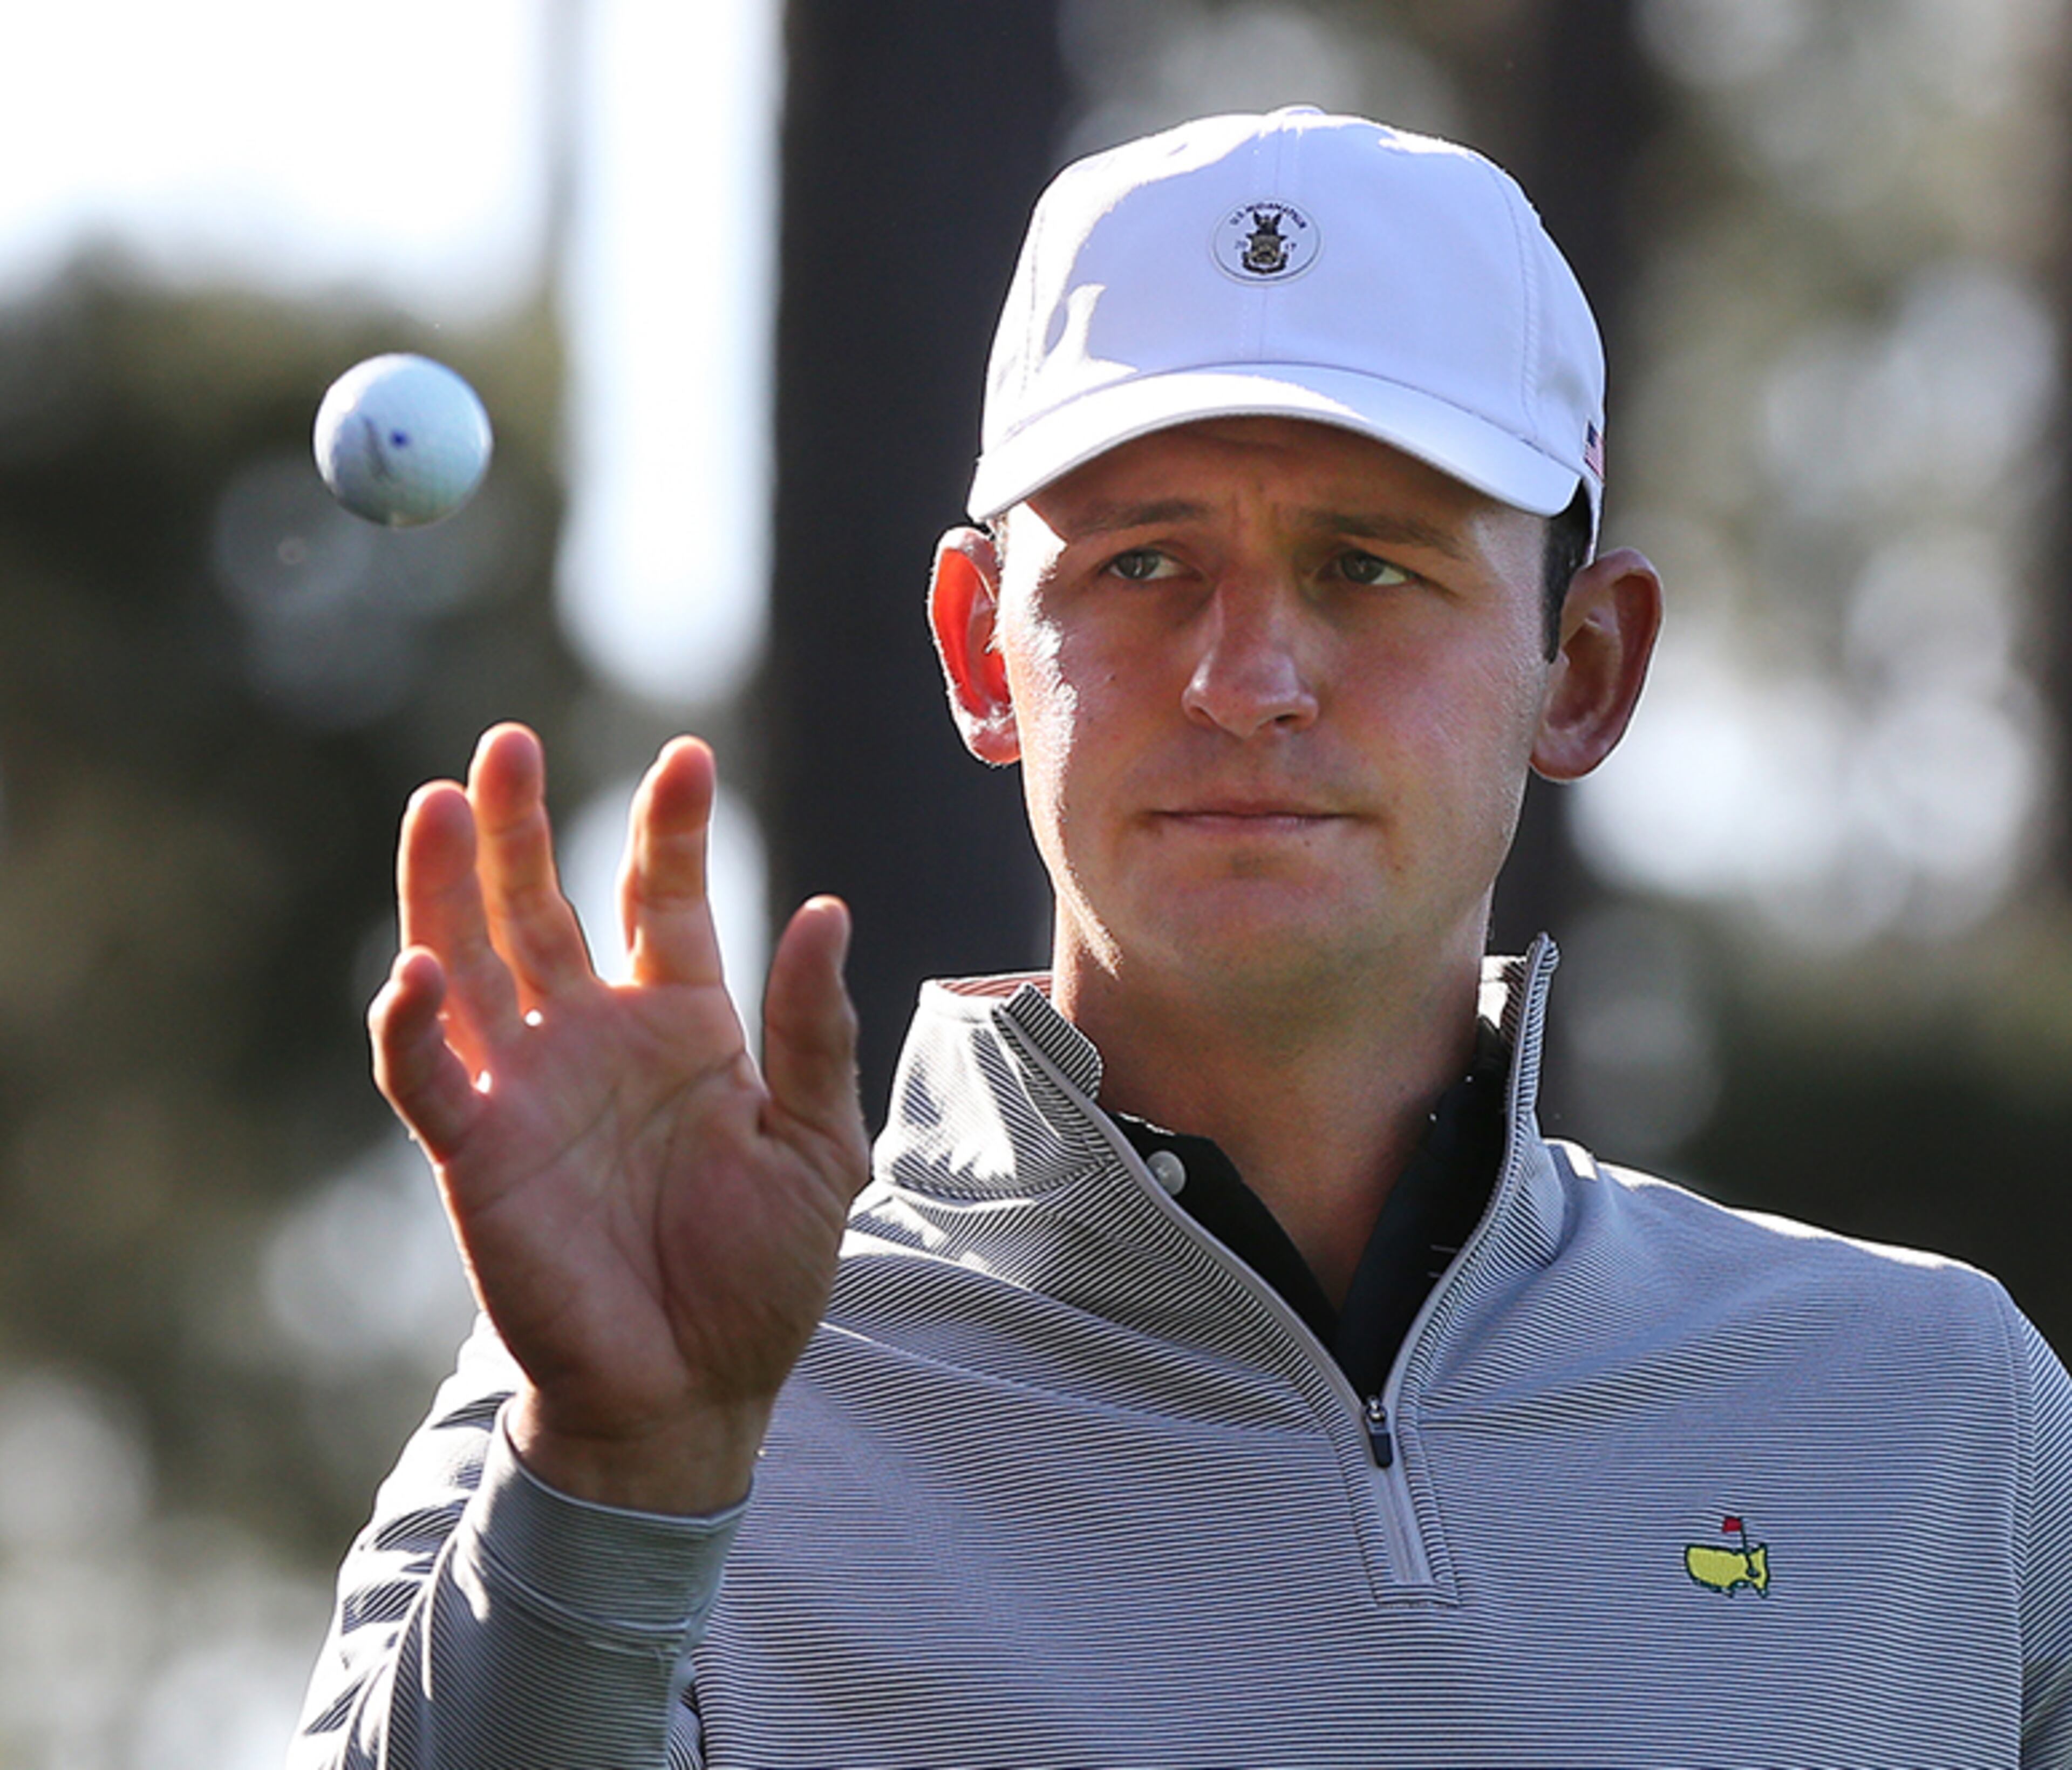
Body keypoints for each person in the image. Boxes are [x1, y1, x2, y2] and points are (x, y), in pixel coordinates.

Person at [291, 108, 2072, 1768]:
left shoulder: (1938, 1421)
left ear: (1583, 668)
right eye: (1144, 566)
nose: (1247, 681)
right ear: (987, 652)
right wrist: (621, 1485)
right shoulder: (645, 1396)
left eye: (1371, 566)